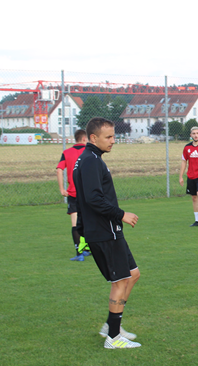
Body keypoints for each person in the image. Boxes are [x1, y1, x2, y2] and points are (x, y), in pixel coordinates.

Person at [73, 117, 142, 349]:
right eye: (109, 137)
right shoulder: (90, 160)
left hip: (106, 230)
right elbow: (93, 199)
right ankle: (113, 338)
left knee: (132, 274)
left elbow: (81, 198)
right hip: (105, 231)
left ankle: (112, 325)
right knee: (120, 280)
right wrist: (120, 214)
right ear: (93, 138)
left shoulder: (90, 159)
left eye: (114, 136)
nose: (113, 141)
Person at [56, 129, 90, 261]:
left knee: (75, 224)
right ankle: (87, 249)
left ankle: (79, 253)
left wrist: (62, 189)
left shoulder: (66, 153)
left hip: (74, 193)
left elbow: (59, 170)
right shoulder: (89, 152)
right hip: (88, 193)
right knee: (89, 221)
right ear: (84, 139)